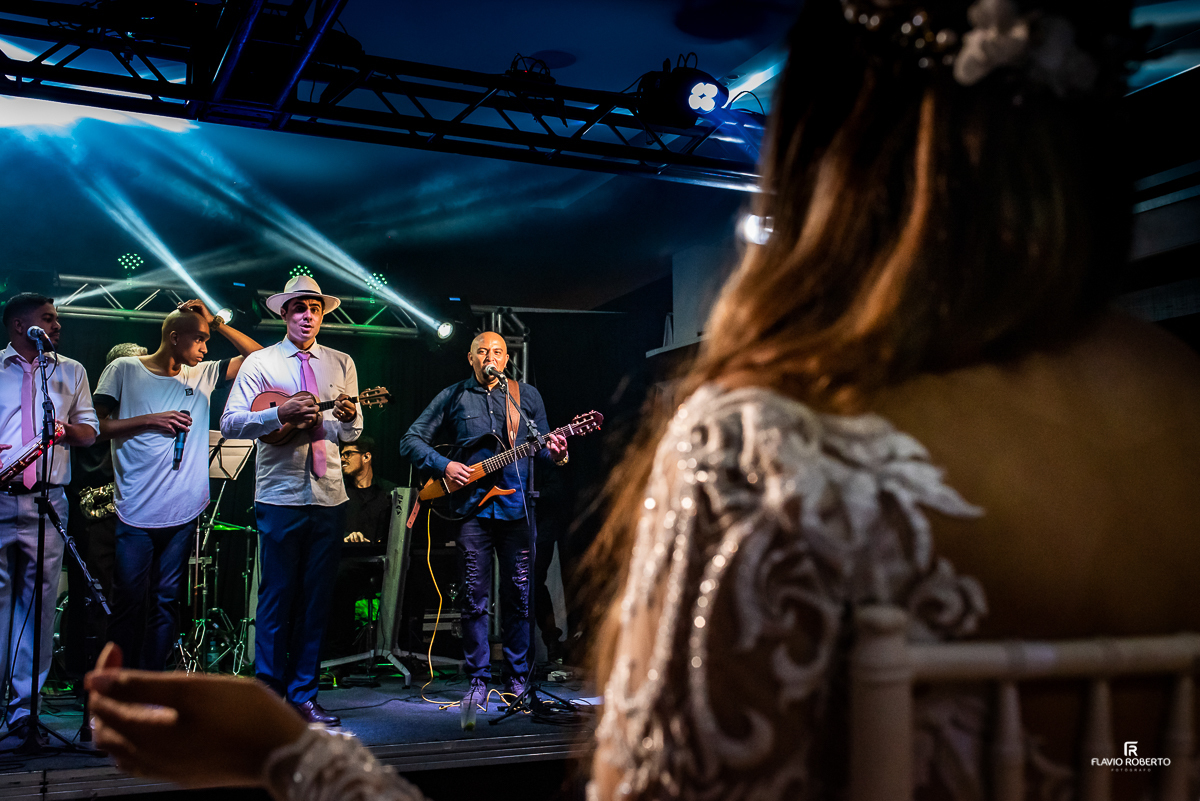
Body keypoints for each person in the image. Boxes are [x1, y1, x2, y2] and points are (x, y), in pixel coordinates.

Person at [76, 1, 1200, 797]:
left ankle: (340, 701)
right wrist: (437, 458)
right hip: (375, 497)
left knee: (511, 599)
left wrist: (286, 760)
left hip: (450, 504)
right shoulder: (1180, 393)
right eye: (475, 358)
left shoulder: (768, 437)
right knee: (409, 602)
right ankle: (438, 682)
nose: (486, 366)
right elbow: (405, 439)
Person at [399, 331, 567, 716]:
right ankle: (477, 681)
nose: (490, 357)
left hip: (517, 509)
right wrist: (445, 466)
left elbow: (541, 451)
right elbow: (411, 440)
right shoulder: (454, 396)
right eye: (482, 351)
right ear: (470, 358)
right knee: (474, 600)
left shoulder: (526, 397)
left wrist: (558, 454)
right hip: (471, 512)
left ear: (506, 359)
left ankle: (517, 681)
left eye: (497, 352)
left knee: (520, 597)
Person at [220, 275, 361, 727]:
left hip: (328, 495)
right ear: (283, 313)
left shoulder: (341, 363)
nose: (307, 315)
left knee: (315, 600)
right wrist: (278, 413)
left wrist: (351, 417)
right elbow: (231, 423)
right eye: (299, 308)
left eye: (315, 308)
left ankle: (304, 694)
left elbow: (346, 434)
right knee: (276, 596)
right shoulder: (260, 362)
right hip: (279, 495)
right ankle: (267, 695)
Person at [93, 300, 262, 671]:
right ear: (173, 337)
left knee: (167, 601)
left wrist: (215, 323)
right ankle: (113, 692)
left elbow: (261, 357)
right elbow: (92, 428)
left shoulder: (201, 374)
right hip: (136, 509)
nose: (205, 347)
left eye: (207, 339)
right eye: (199, 339)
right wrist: (149, 420)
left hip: (183, 510)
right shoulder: (124, 369)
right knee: (127, 603)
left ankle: (156, 690)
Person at [0, 293, 99, 742]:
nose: (57, 326)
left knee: (38, 608)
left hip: (47, 500)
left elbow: (91, 431)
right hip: (0, 497)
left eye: (56, 319)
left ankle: (25, 713)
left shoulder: (70, 370)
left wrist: (61, 430)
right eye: (47, 319)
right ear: (19, 326)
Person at [323, 437, 396, 660]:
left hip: (383, 562)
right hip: (348, 562)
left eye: (348, 454)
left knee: (413, 574)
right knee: (338, 577)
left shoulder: (389, 492)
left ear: (366, 457)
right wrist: (345, 536)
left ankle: (405, 652)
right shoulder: (337, 493)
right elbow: (326, 530)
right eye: (341, 454)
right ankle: (338, 657)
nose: (342, 459)